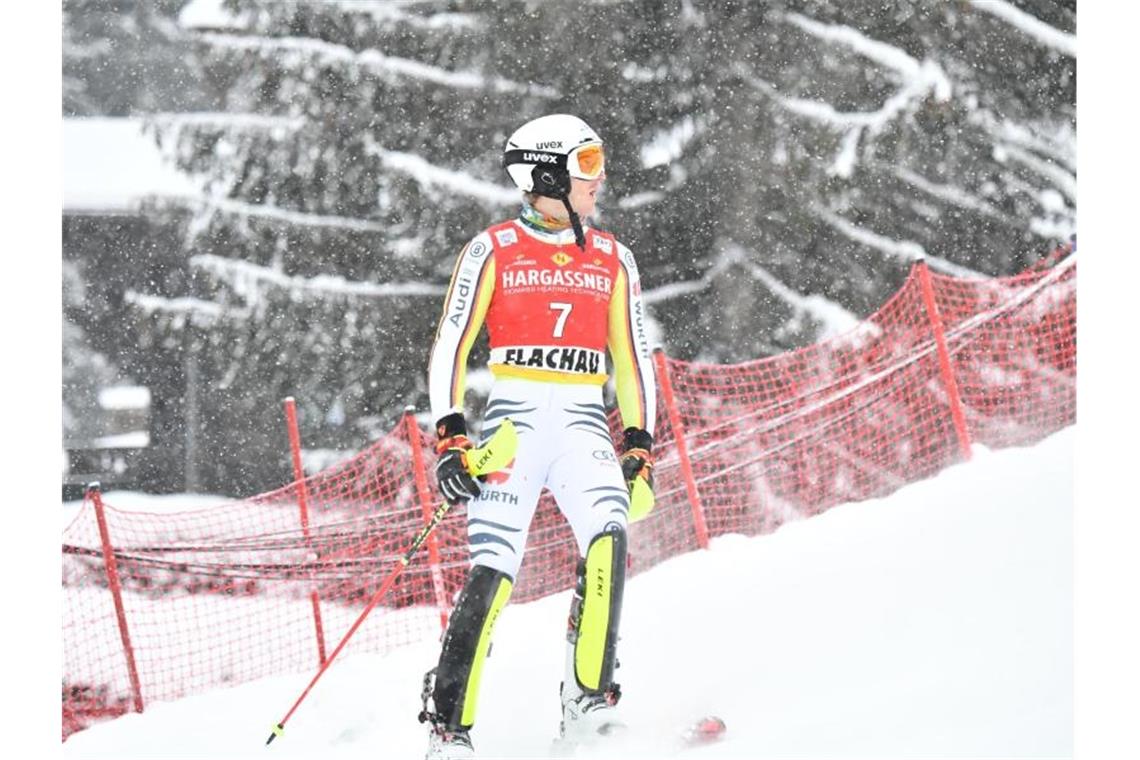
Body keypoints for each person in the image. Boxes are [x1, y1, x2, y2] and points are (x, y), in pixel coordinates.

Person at [418, 114, 657, 759]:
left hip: (582, 423)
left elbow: (633, 360)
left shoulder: (612, 258)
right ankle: (449, 728)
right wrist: (450, 439)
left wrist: (639, 443)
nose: (599, 179)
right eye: (586, 167)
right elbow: (451, 347)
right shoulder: (492, 249)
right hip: (513, 426)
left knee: (608, 541)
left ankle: (588, 704)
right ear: (547, 174)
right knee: (493, 573)